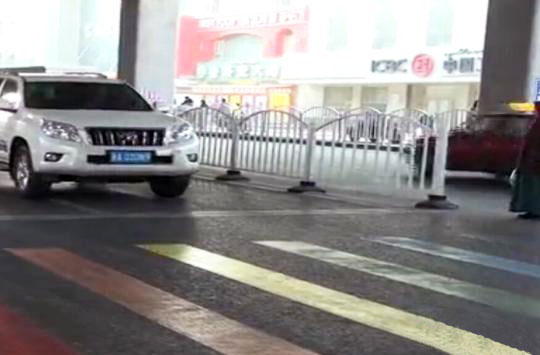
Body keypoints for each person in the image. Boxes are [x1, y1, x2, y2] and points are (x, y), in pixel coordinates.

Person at [510, 101, 540, 219]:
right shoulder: (536, 122)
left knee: (533, 186)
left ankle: (534, 210)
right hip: (532, 159)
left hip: (533, 161)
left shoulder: (537, 123)